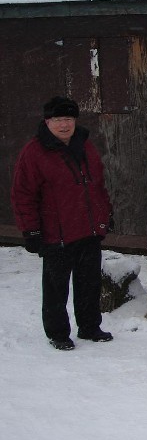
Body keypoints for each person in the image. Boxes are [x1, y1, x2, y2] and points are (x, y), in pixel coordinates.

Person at [12, 96, 114, 350]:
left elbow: (98, 185)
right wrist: (30, 230)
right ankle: (58, 333)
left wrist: (104, 215)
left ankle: (89, 326)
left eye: (68, 119)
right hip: (55, 233)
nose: (64, 125)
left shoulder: (85, 145)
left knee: (89, 283)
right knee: (56, 288)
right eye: (58, 119)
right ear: (47, 122)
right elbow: (23, 194)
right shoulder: (34, 152)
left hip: (88, 228)